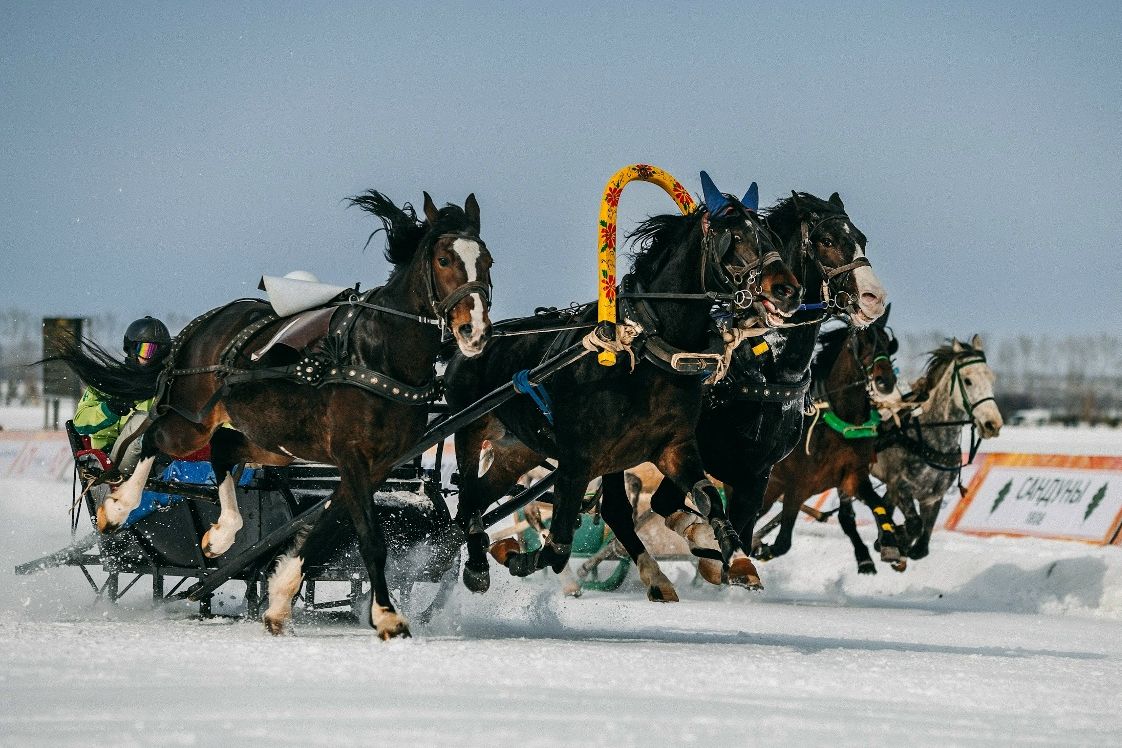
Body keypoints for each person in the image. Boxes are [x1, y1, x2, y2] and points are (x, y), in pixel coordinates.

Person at [73, 316, 171, 477]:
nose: (155, 359)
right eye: (148, 350)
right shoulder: (109, 382)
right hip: (114, 462)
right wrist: (110, 409)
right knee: (144, 420)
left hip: (158, 455)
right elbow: (80, 422)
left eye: (161, 352)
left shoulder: (168, 383)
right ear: (132, 349)